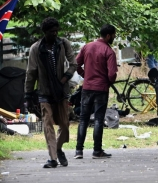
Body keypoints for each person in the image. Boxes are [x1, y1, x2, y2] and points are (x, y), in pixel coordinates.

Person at [24, 17, 77, 168]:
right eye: (51, 32)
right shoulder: (36, 48)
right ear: (45, 32)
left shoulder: (63, 43)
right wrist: (27, 94)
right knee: (48, 125)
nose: (55, 34)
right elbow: (31, 72)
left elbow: (73, 63)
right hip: (44, 92)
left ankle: (58, 148)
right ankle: (53, 158)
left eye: (56, 31)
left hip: (61, 90)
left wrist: (65, 78)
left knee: (65, 125)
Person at [74, 24, 118, 159]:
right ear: (109, 35)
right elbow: (112, 74)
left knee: (83, 119)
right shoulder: (109, 52)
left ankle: (78, 151)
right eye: (114, 35)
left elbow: (76, 63)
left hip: (87, 88)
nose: (114, 38)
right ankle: (97, 151)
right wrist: (108, 82)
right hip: (101, 89)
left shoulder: (87, 46)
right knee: (98, 119)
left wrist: (85, 74)